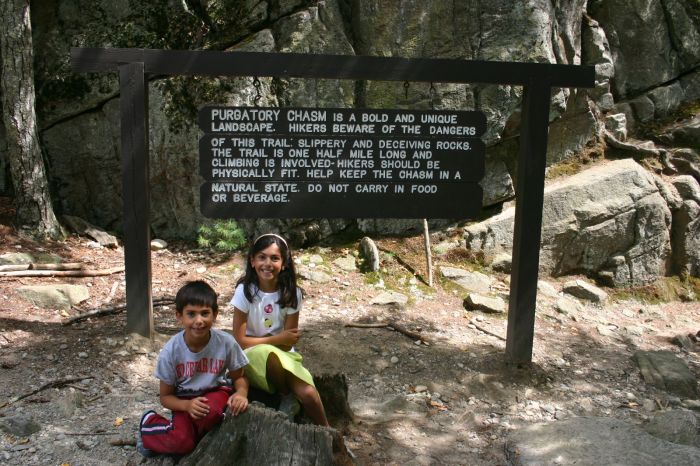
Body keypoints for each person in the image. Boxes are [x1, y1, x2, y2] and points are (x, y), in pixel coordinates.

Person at [137, 280, 249, 457]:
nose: (199, 321)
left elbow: (239, 377)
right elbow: (165, 397)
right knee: (182, 443)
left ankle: (195, 432)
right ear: (179, 316)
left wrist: (241, 393)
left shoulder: (226, 343)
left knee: (209, 412)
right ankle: (149, 424)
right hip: (184, 400)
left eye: (205, 313)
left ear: (215, 315)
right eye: (191, 314)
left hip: (215, 393)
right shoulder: (171, 351)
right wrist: (187, 405)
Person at [230, 233, 329, 426]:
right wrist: (277, 339)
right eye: (262, 257)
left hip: (283, 355)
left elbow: (287, 343)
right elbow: (240, 341)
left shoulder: (292, 293)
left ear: (284, 264)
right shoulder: (245, 291)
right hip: (249, 354)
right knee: (268, 354)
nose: (267, 263)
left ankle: (328, 431)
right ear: (252, 261)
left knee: (308, 393)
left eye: (274, 258)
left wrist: (280, 340)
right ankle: (285, 395)